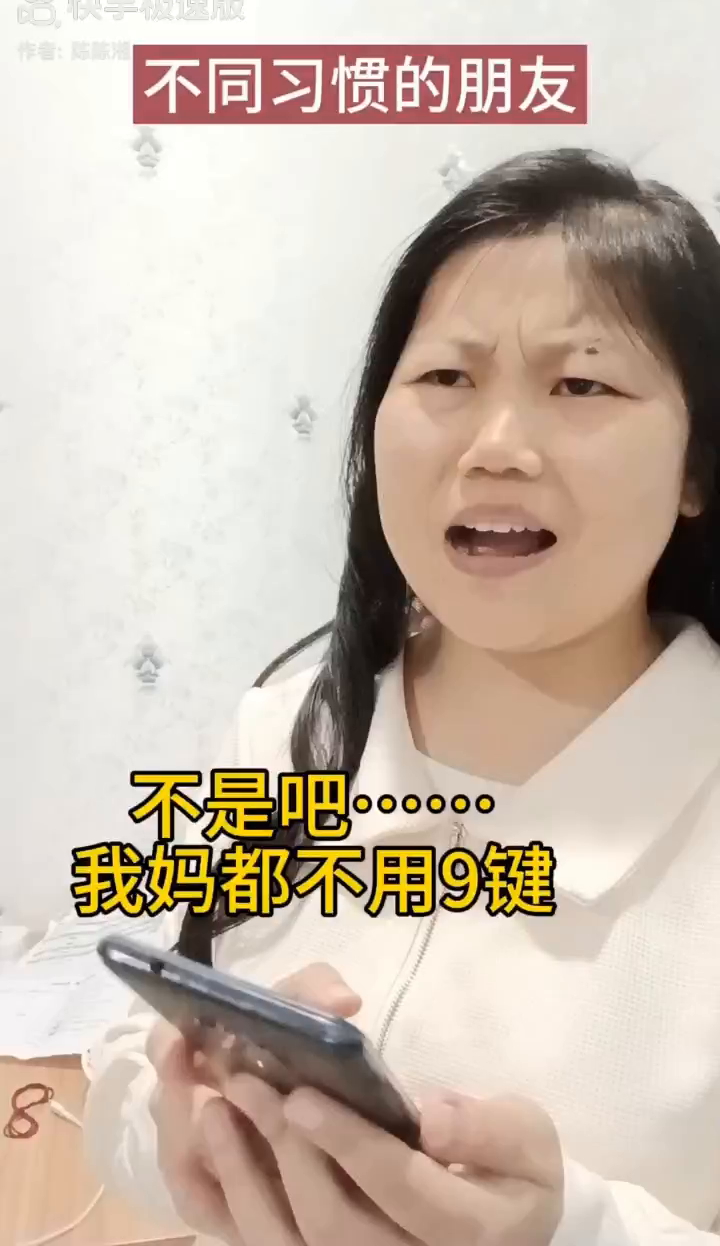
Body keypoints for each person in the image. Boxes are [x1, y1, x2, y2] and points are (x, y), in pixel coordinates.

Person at [84, 146, 720, 1246]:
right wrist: (179, 1133)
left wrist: (573, 1229)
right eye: (445, 380)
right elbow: (126, 1056)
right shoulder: (291, 730)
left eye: (582, 385)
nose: (496, 446)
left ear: (698, 464)